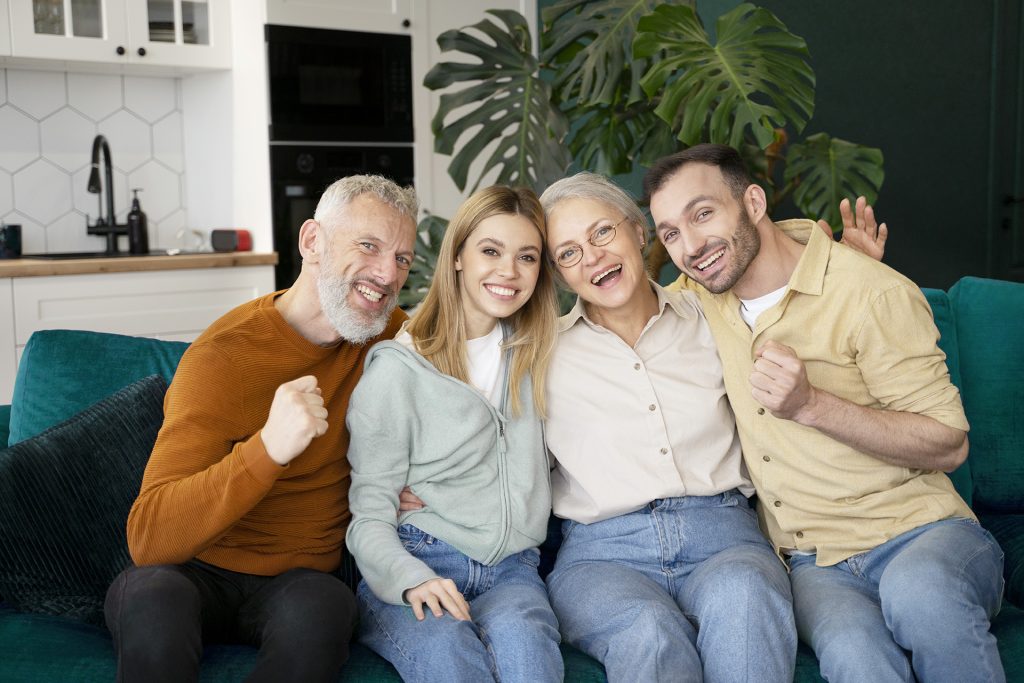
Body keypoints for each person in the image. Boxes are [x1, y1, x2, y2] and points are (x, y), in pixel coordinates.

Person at [645, 143, 1005, 683]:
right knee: (853, 654)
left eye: (703, 213)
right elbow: (623, 309)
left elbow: (950, 443)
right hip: (814, 562)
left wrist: (812, 405)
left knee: (922, 596)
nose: (691, 245)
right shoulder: (697, 298)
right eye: (670, 232)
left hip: (921, 532)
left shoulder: (870, 293)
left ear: (754, 202)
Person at [103, 174, 419, 683]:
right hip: (192, 572)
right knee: (151, 595)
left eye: (402, 258)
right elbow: (149, 538)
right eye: (369, 246)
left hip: (300, 582)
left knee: (324, 609)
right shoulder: (221, 356)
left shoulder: (395, 341)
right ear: (313, 241)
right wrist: (268, 449)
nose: (387, 273)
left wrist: (420, 478)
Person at [537, 173, 796, 682]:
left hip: (723, 536)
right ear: (560, 274)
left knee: (745, 600)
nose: (591, 257)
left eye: (601, 234)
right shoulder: (541, 354)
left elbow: (785, 282)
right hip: (601, 555)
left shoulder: (712, 313)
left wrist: (852, 272)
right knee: (649, 630)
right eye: (567, 253)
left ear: (638, 231)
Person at [345, 185, 563, 682]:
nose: (508, 271)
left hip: (513, 569)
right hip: (421, 556)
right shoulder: (399, 370)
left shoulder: (545, 353)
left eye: (526, 257)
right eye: (490, 251)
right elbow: (368, 515)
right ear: (459, 256)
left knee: (531, 659)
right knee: (451, 659)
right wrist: (409, 578)